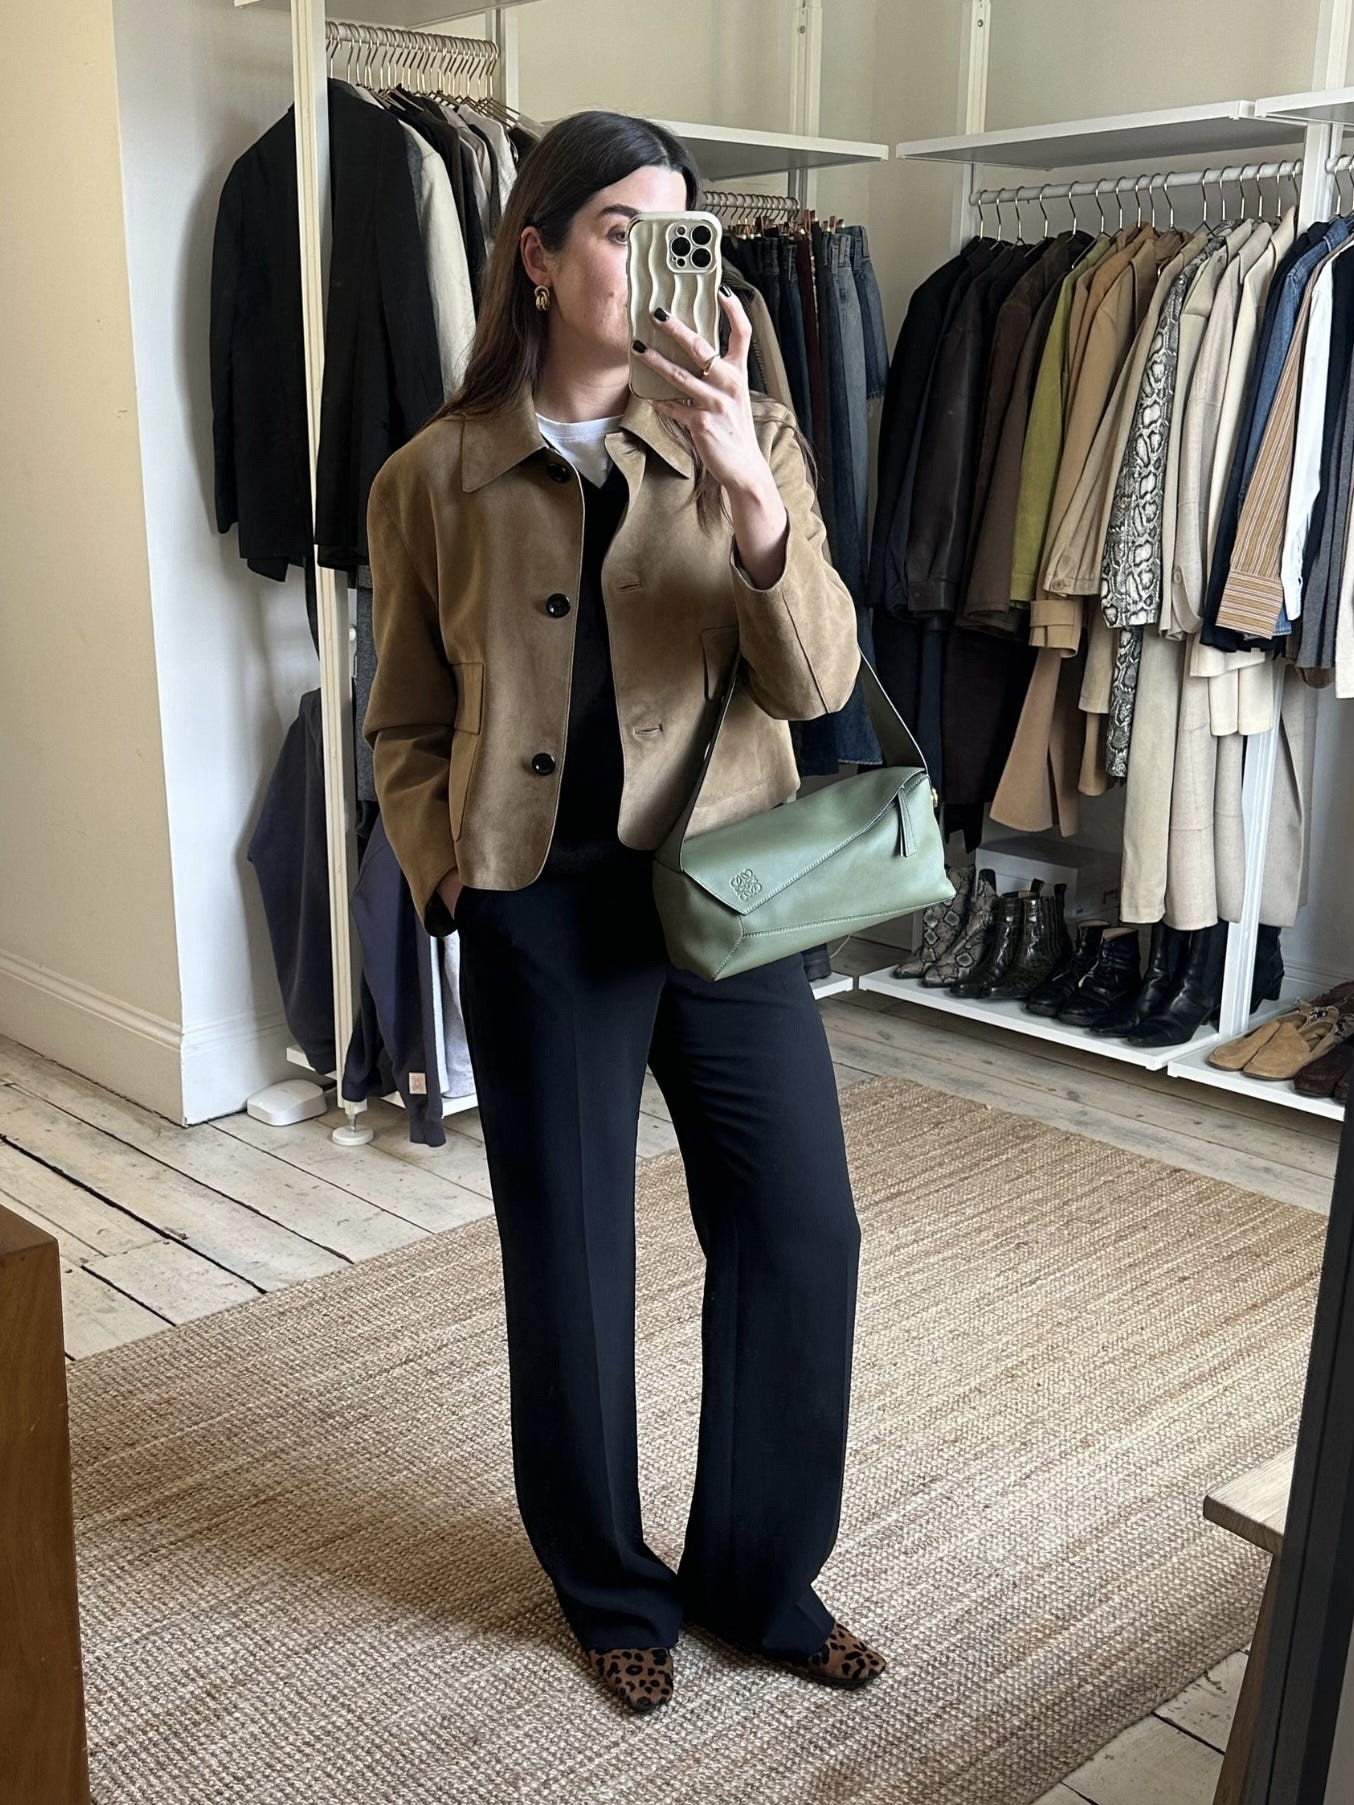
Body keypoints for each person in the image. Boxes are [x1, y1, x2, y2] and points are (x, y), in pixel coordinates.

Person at [363, 108, 886, 1714]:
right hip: (537, 906)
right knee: (572, 1260)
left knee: (801, 1229)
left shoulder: (752, 433)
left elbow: (817, 682)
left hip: (725, 887)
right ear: (534, 254)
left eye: (675, 230)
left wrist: (747, 492)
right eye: (614, 228)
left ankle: (758, 1575)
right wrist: (443, 862)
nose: (650, 259)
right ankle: (608, 1586)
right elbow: (403, 716)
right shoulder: (431, 475)